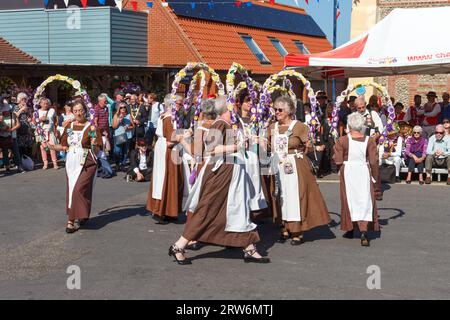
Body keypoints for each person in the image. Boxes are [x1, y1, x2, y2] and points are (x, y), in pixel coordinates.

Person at [168, 96, 269, 265]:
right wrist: (238, 146)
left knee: (238, 209)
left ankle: (249, 248)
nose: (235, 110)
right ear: (226, 110)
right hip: (221, 173)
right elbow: (212, 149)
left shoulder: (224, 125)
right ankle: (179, 245)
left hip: (228, 173)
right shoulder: (221, 124)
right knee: (208, 209)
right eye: (232, 108)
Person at [266, 96, 330, 245]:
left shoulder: (299, 126)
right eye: (275, 110)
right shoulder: (272, 127)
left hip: (294, 165)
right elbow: (269, 146)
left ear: (289, 111)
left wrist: (311, 145)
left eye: (280, 110)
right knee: (280, 195)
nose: (277, 112)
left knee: (295, 196)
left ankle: (297, 230)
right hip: (277, 164)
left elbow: (310, 144)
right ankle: (284, 227)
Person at [49, 101, 102, 233]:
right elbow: (63, 146)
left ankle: (70, 221)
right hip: (72, 161)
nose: (78, 113)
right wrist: (50, 146)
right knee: (72, 188)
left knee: (78, 189)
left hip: (87, 162)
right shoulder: (70, 127)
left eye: (81, 110)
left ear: (85, 111)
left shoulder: (91, 128)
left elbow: (96, 150)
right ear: (73, 112)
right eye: (76, 111)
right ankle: (81, 215)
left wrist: (94, 144)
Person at [333, 113, 379, 246]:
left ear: (349, 125)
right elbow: (374, 160)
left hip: (348, 171)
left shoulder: (342, 140)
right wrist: (375, 177)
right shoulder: (369, 140)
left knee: (349, 200)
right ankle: (364, 231)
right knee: (364, 199)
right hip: (363, 171)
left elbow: (338, 160)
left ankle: (350, 228)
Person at [147, 94, 184, 224]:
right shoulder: (169, 118)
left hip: (165, 149)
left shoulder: (167, 116)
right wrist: (184, 136)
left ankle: (168, 210)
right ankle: (160, 210)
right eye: (179, 103)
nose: (181, 106)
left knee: (167, 179)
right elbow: (171, 140)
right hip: (169, 151)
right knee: (168, 178)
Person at [35, 97, 58, 170]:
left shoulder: (52, 110)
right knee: (43, 148)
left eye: (47, 103)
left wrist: (55, 130)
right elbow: (34, 122)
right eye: (44, 103)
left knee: (52, 147)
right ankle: (45, 163)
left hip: (50, 132)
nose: (45, 105)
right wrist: (40, 119)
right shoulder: (37, 112)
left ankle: (55, 163)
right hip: (42, 133)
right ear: (40, 104)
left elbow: (55, 120)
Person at [112, 102, 134, 172]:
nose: (123, 109)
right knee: (117, 151)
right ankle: (117, 164)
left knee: (125, 151)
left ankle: (123, 164)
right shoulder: (116, 115)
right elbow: (114, 126)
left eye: (124, 107)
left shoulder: (128, 115)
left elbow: (133, 126)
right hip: (118, 135)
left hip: (127, 136)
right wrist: (119, 120)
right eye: (121, 107)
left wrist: (128, 127)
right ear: (119, 108)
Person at [0, 99, 20, 172]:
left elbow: (18, 124)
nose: (5, 112)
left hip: (12, 136)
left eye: (6, 110)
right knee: (5, 152)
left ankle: (18, 166)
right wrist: (3, 128)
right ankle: (7, 167)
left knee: (15, 151)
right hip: (3, 136)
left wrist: (11, 130)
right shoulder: (1, 117)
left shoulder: (13, 114)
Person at [14, 93, 34, 163]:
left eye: (25, 99)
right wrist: (22, 109)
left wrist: (29, 115)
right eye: (22, 99)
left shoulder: (27, 107)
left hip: (27, 128)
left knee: (29, 145)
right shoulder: (16, 107)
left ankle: (29, 161)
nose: (24, 101)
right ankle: (22, 161)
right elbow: (15, 115)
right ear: (19, 100)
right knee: (20, 146)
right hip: (20, 128)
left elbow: (30, 116)